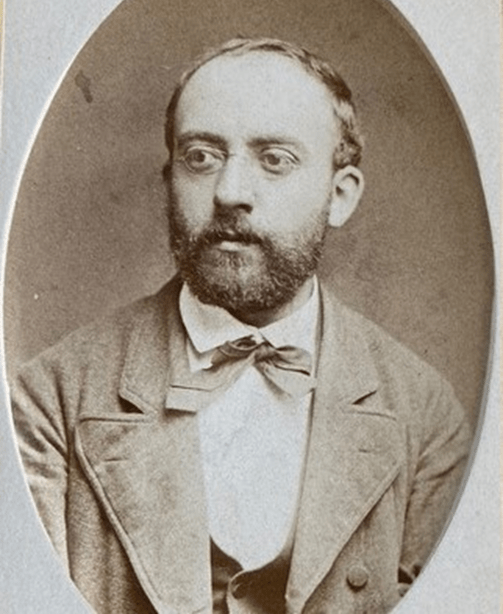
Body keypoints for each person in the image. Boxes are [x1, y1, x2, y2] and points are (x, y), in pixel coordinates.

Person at [12, 38, 470, 614]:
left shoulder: (425, 417)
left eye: (274, 160)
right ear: (169, 179)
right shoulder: (49, 402)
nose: (229, 192)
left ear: (340, 195)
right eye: (201, 157)